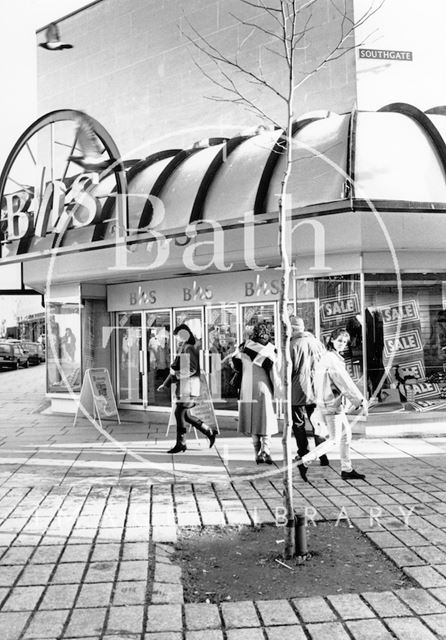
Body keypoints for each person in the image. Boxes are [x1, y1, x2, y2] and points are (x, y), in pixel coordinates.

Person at [296, 328, 366, 482]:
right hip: (331, 404)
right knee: (335, 439)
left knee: (346, 435)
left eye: (345, 342)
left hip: (330, 403)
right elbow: (344, 382)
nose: (342, 344)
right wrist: (358, 400)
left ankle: (346, 469)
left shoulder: (329, 357)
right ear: (332, 340)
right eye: (339, 340)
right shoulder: (332, 359)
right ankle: (305, 460)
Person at [157, 324, 217, 454]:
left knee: (179, 413)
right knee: (186, 415)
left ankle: (181, 443)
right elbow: (175, 369)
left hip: (189, 385)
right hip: (185, 385)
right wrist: (166, 383)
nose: (177, 338)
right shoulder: (184, 347)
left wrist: (176, 376)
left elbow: (192, 369)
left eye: (178, 336)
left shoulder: (188, 348)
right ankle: (208, 431)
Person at [232, 323, 281, 464]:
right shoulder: (271, 349)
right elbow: (274, 372)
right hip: (263, 386)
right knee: (266, 419)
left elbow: (235, 365)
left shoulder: (244, 347)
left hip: (247, 386)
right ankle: (266, 451)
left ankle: (256, 453)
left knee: (252, 421)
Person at [290, 316, 328, 466]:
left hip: (298, 388)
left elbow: (289, 370)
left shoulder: (292, 345)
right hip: (316, 387)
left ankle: (304, 454)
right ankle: (322, 455)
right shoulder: (317, 343)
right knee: (317, 422)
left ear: (292, 329)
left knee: (298, 423)